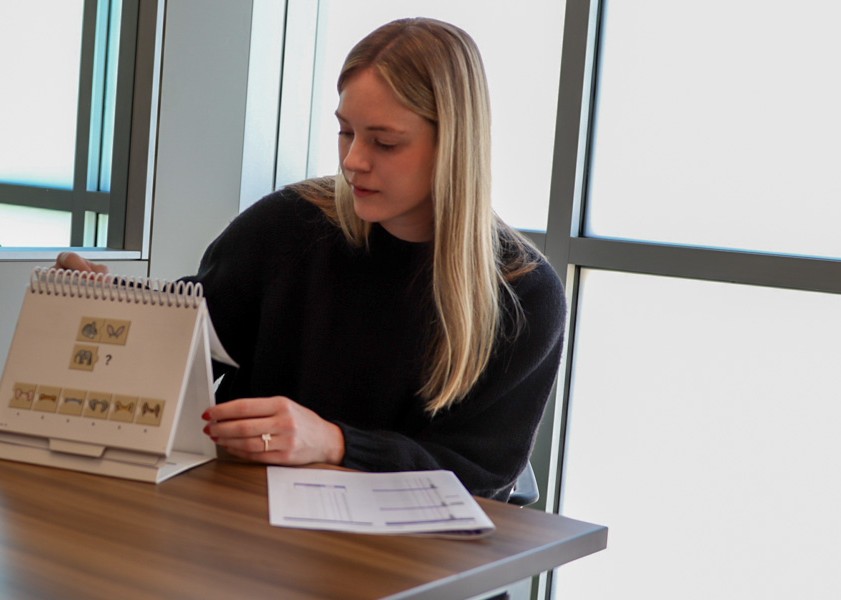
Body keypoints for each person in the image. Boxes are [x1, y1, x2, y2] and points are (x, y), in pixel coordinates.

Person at [57, 17, 566, 501]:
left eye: (384, 142)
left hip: (410, 550)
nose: (353, 161)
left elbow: (478, 477)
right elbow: (193, 341)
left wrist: (333, 442)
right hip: (246, 521)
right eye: (346, 131)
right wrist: (113, 311)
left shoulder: (524, 293)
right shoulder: (288, 224)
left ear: (453, 146)